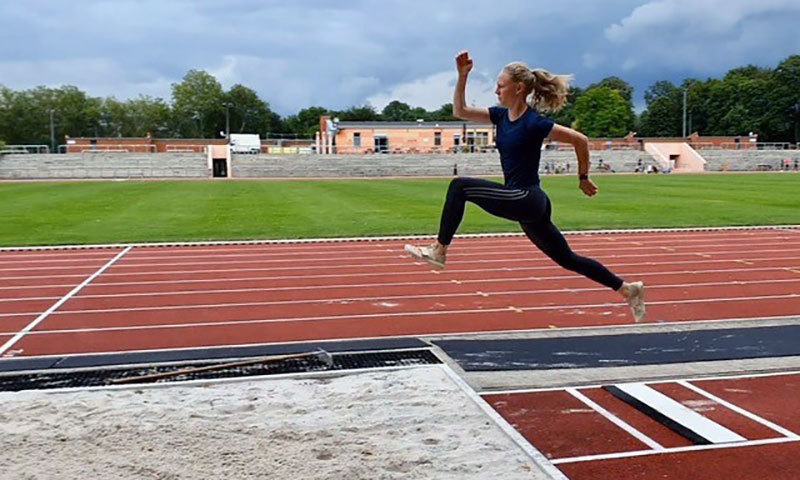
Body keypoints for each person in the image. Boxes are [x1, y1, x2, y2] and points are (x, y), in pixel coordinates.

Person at [404, 50, 646, 322]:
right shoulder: (500, 116)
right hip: (526, 203)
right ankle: (627, 289)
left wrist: (583, 177)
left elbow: (580, 139)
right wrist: (462, 76)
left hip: (528, 198)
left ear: (518, 88)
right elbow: (460, 111)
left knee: (459, 187)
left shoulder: (534, 122)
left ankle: (439, 250)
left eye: (501, 84)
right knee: (568, 259)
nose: (496, 89)